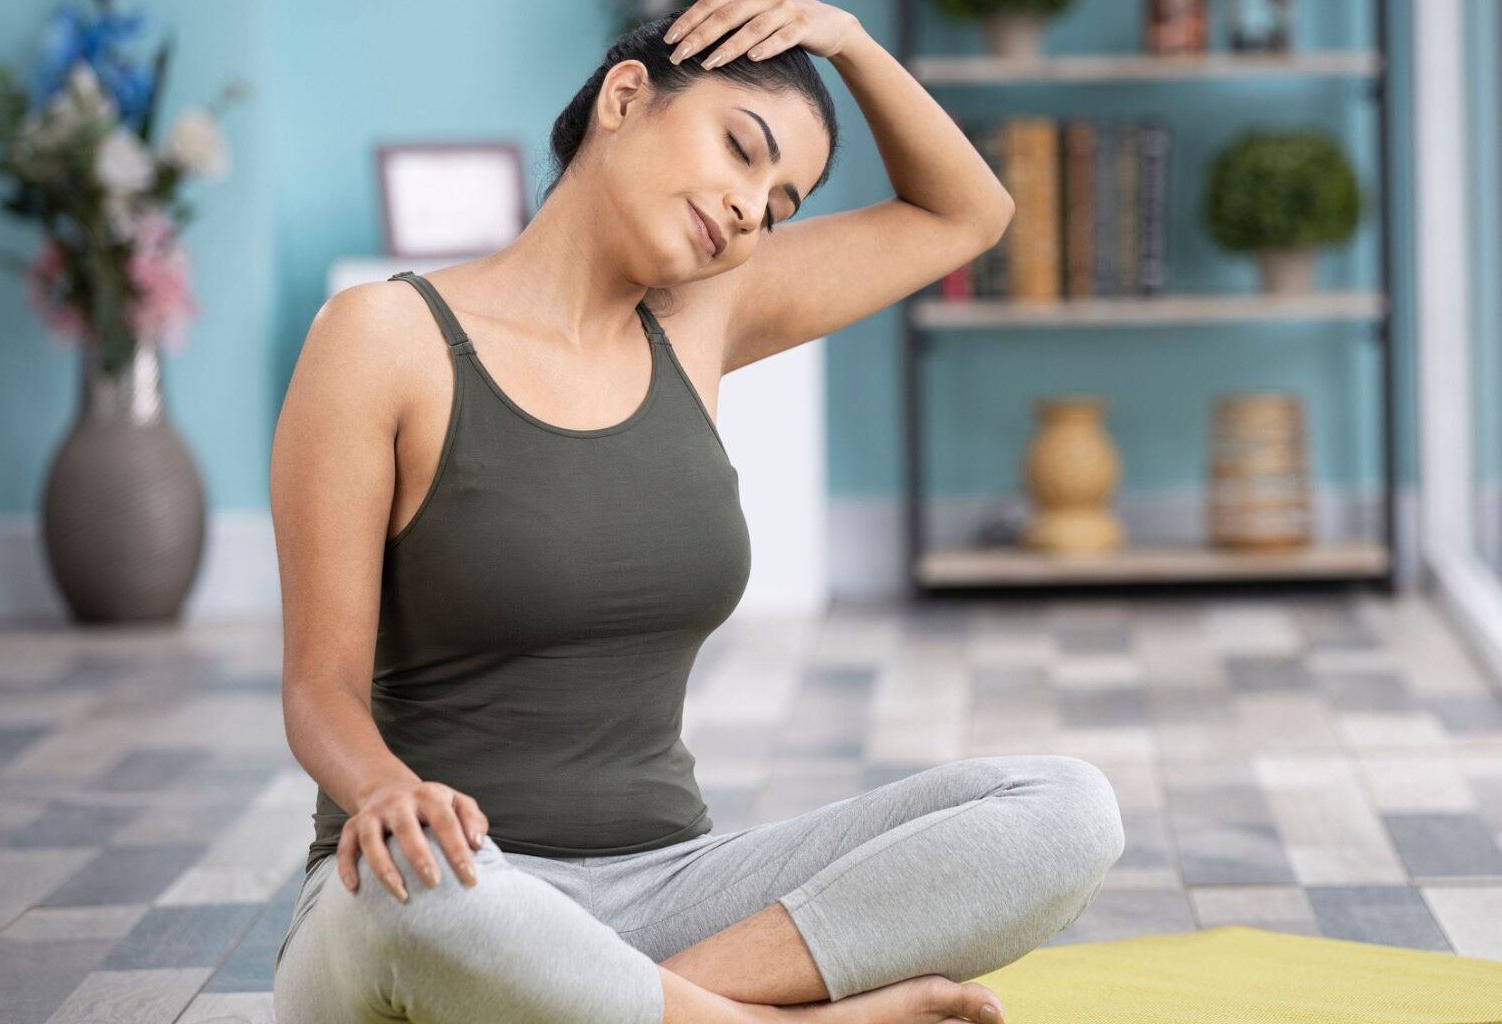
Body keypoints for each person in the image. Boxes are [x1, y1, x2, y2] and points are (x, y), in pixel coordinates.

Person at [267, 2, 1126, 1022]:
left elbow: (966, 215)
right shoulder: (383, 337)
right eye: (741, 148)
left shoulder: (702, 323)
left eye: (781, 202)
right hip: (446, 891)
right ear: (624, 99)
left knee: (1065, 810)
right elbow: (320, 691)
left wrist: (844, 37)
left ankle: (656, 1008)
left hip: (665, 892)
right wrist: (384, 794)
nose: (752, 209)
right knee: (419, 910)